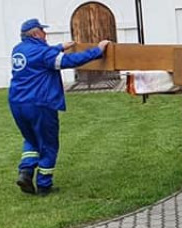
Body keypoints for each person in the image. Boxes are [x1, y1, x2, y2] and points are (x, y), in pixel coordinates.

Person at [9, 18, 110, 196]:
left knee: (31, 139)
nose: (45, 34)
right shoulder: (42, 53)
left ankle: (25, 172)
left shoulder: (18, 50)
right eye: (42, 31)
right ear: (35, 34)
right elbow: (70, 61)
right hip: (40, 104)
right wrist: (98, 50)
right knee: (48, 144)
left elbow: (41, 55)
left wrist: (60, 46)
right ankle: (44, 185)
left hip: (17, 103)